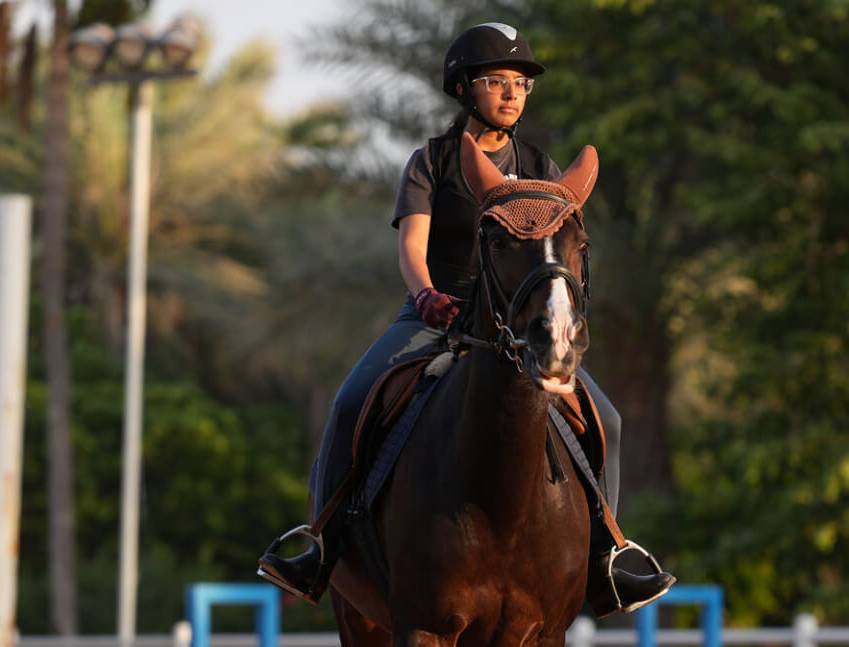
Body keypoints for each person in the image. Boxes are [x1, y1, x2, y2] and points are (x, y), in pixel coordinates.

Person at [256, 21, 675, 614]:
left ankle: (607, 552)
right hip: (434, 315)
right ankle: (320, 546)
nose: (512, 93)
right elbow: (412, 246)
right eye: (497, 81)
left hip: (516, 327)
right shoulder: (431, 161)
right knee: (350, 401)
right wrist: (427, 293)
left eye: (521, 83)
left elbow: (555, 252)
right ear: (463, 87)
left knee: (608, 417)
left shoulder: (540, 166)